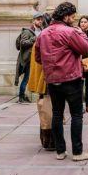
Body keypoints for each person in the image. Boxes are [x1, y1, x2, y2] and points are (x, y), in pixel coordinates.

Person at [35, 1, 88, 161]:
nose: (74, 19)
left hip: (52, 80)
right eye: (73, 17)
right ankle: (77, 152)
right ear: (66, 16)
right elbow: (85, 48)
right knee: (76, 115)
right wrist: (81, 33)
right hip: (71, 79)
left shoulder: (43, 34)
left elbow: (38, 58)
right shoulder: (70, 32)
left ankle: (60, 151)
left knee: (56, 114)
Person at [29, 13, 54, 150]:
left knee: (46, 111)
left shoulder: (41, 38)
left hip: (43, 80)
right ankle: (50, 141)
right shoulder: (45, 39)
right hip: (47, 79)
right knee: (49, 111)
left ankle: (46, 140)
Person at [15, 12, 43, 103]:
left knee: (35, 77)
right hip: (29, 59)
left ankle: (31, 96)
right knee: (27, 78)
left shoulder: (42, 30)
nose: (40, 21)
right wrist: (33, 39)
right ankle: (21, 96)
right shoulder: (27, 31)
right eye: (38, 19)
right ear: (33, 20)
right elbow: (22, 43)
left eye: (41, 19)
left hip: (38, 58)